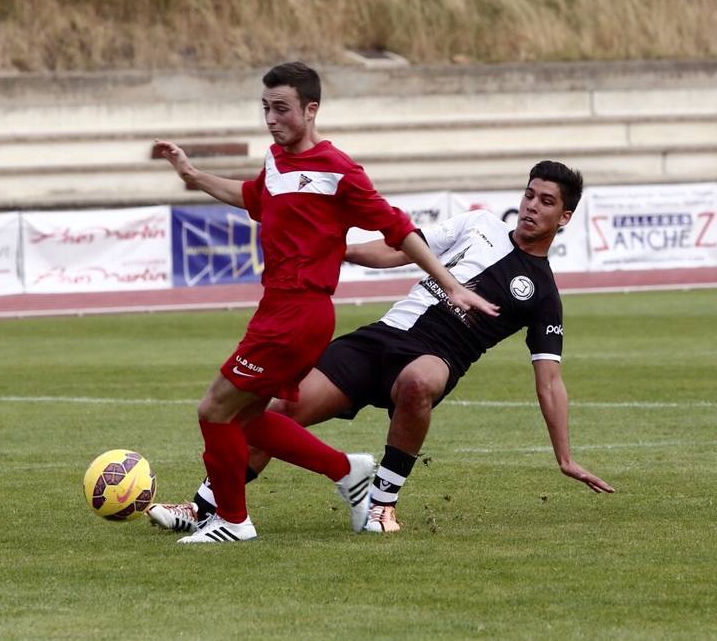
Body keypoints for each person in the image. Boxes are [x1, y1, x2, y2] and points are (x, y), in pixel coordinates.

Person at [148, 160, 613, 537]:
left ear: (564, 217)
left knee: (418, 382)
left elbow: (549, 381)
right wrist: (341, 248)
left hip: (439, 355)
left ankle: (381, 504)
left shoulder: (544, 294)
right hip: (380, 338)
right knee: (279, 408)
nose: (532, 205)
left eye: (546, 201)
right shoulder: (480, 224)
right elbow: (399, 250)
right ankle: (206, 505)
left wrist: (565, 457)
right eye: (529, 194)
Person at [151, 62, 498, 544]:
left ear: (311, 110)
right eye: (266, 108)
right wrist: (193, 175)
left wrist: (450, 285)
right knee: (248, 416)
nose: (272, 119)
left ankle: (231, 520)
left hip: (299, 313)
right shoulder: (275, 161)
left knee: (214, 410)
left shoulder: (338, 170)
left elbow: (398, 229)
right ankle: (347, 471)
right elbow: (253, 196)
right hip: (277, 309)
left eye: (282, 109)